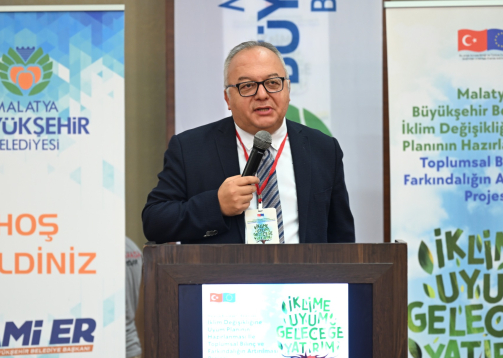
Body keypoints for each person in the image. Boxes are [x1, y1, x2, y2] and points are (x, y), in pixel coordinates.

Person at [142, 40, 354, 244]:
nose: (262, 94)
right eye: (248, 85)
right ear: (227, 98)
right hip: (222, 270)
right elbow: (154, 222)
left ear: (288, 90)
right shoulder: (191, 149)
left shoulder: (323, 149)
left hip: (304, 270)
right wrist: (216, 205)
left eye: (273, 83)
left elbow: (342, 238)